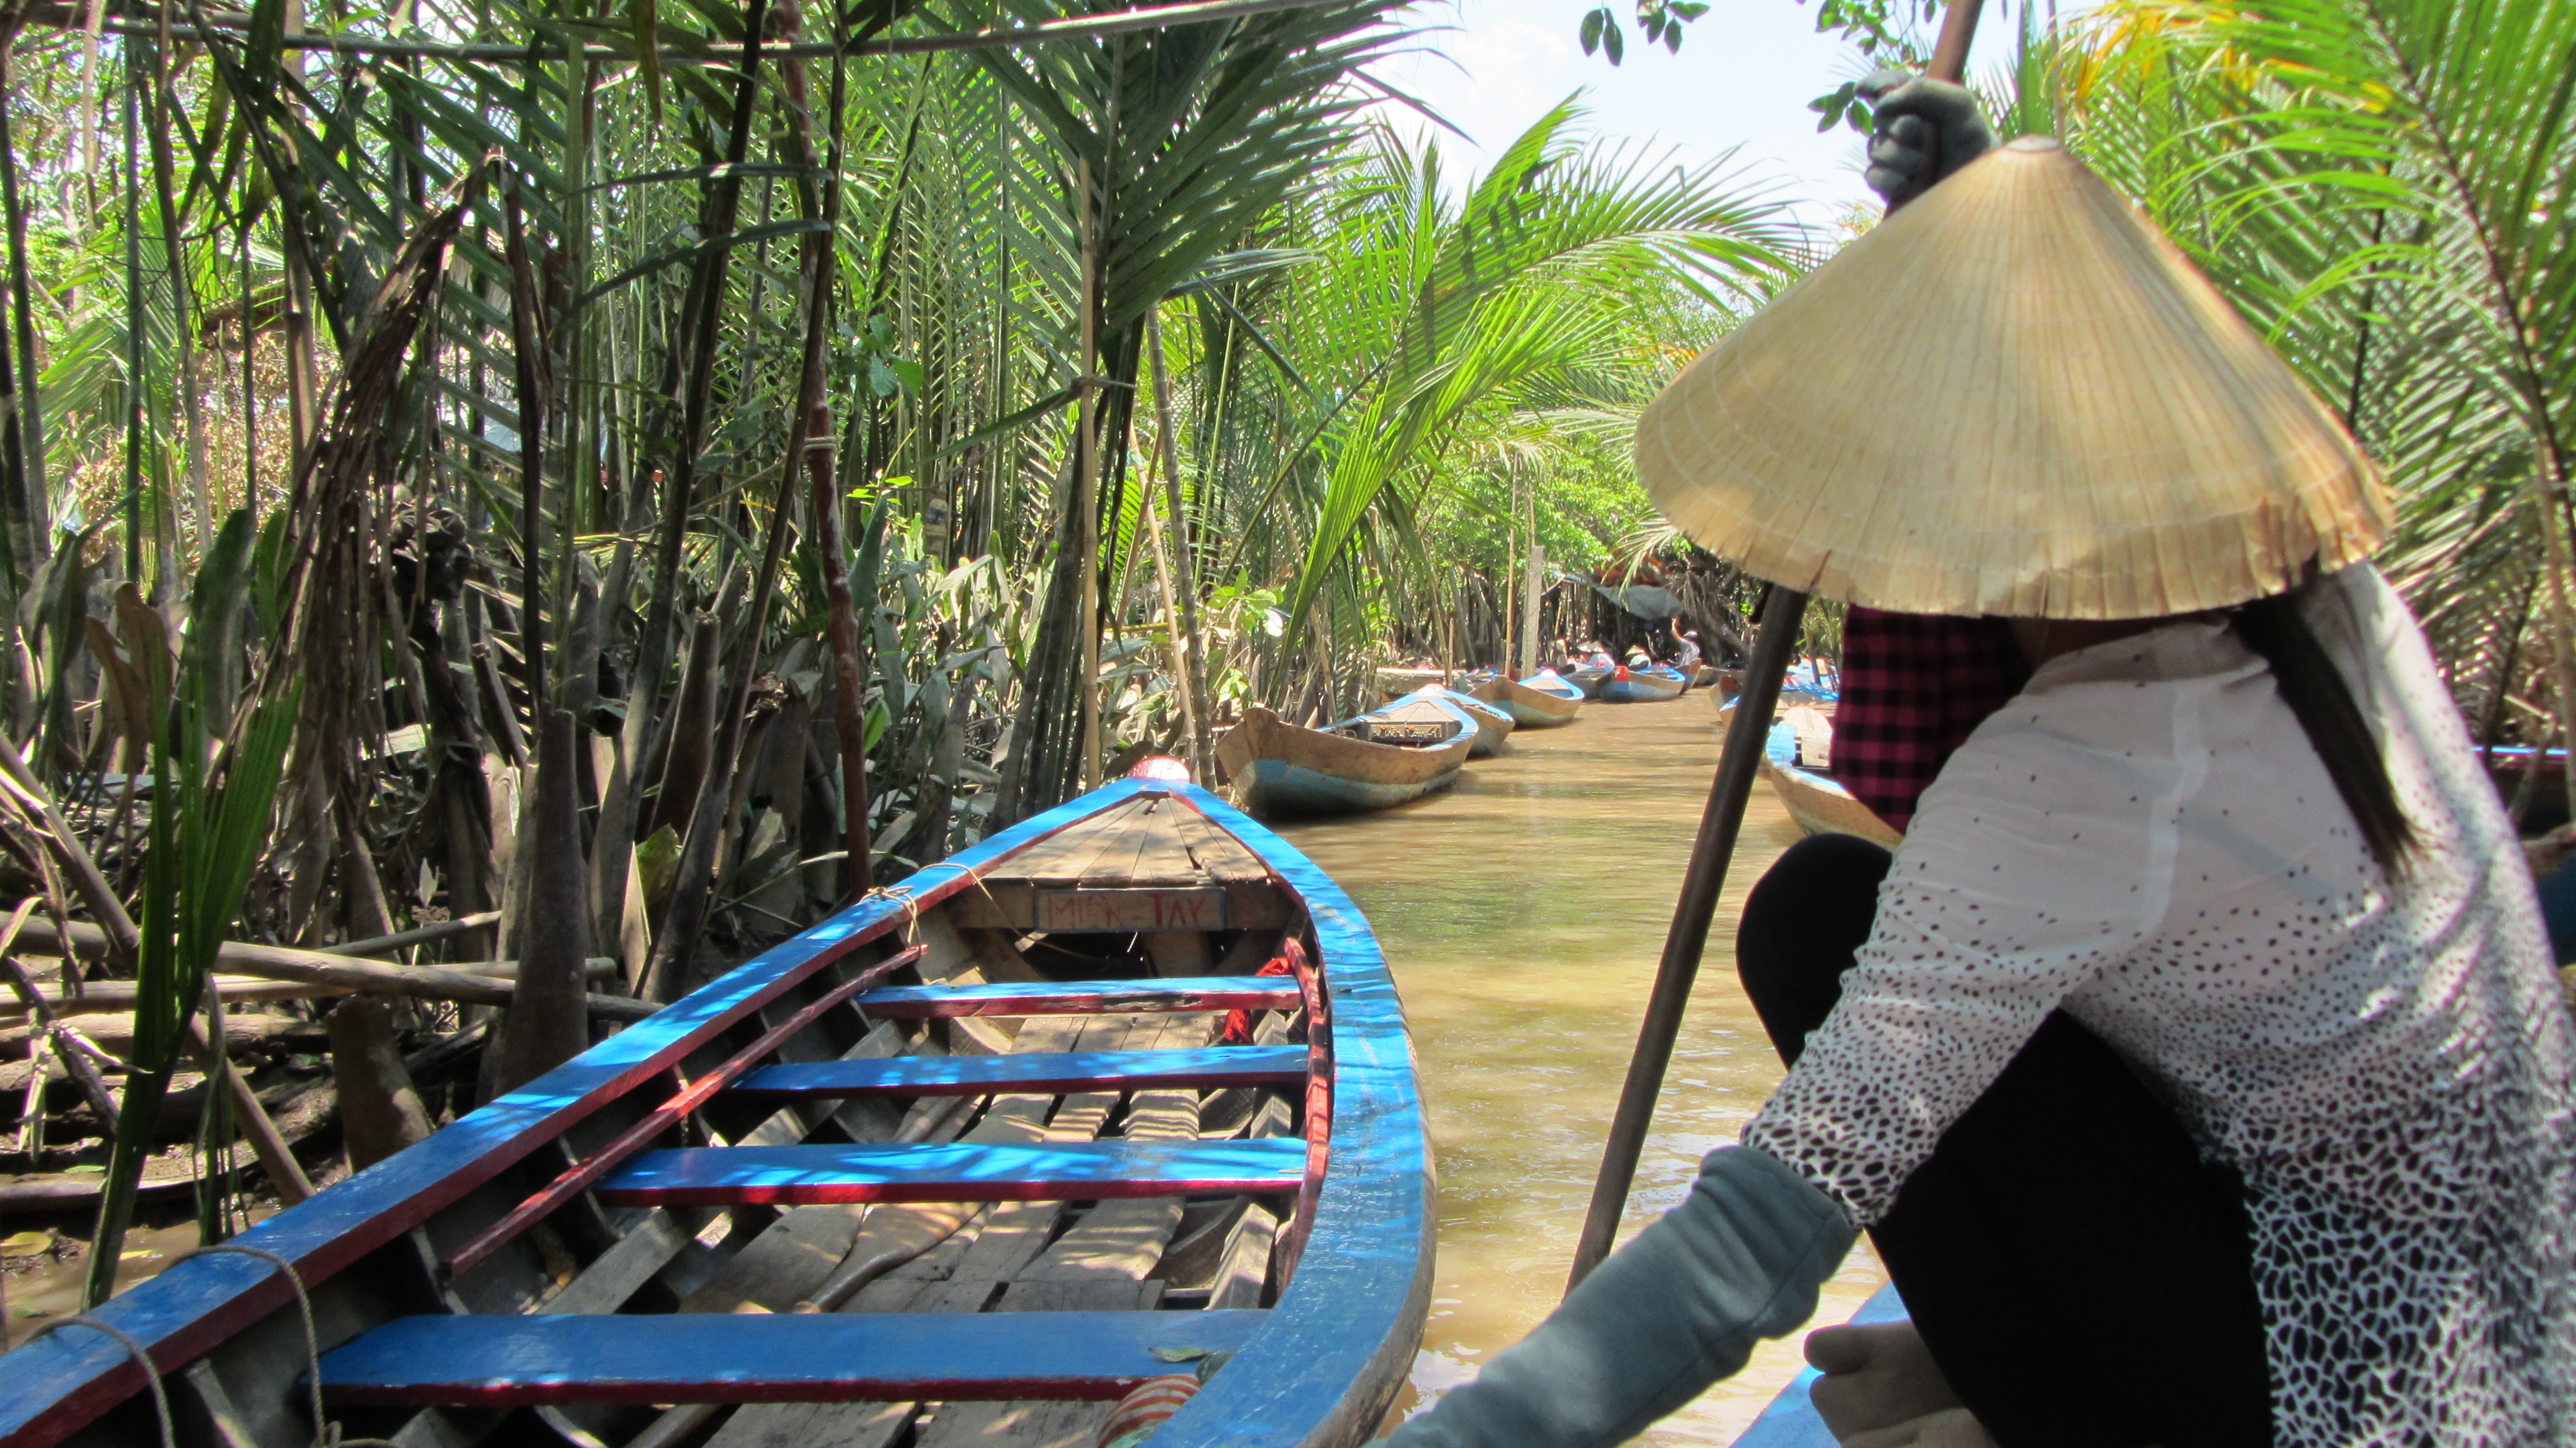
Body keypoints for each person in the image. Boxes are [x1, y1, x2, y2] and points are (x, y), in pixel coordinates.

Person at [1386, 73, 2573, 1448]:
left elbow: (1761, 1233)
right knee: (1840, 911)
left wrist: (1457, 1437)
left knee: (1815, 919)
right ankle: (1984, 1370)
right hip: (2521, 1305)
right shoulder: (2333, 599)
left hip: (2359, 1397)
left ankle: (2047, 1407)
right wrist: (1952, 213)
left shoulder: (2093, 759)